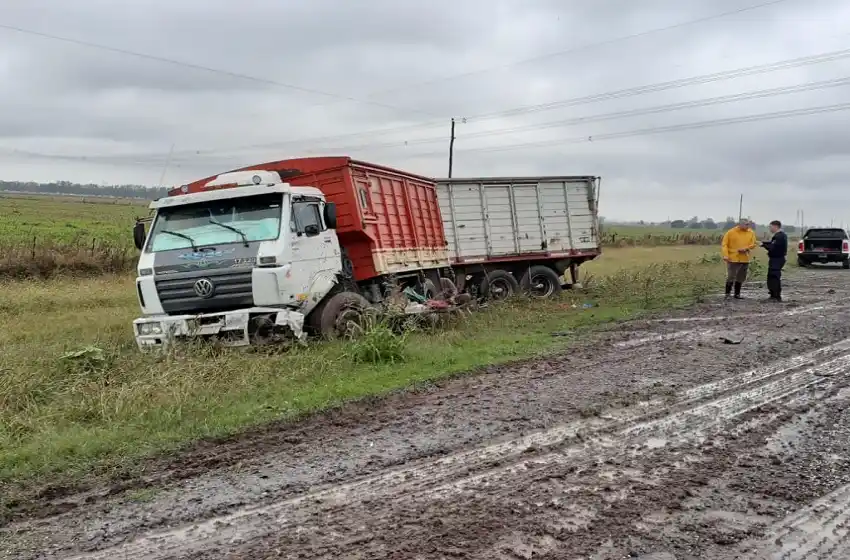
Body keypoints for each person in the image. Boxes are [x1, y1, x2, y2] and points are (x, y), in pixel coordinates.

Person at [721, 219, 758, 299]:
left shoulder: (751, 232)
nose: (747, 226)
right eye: (746, 224)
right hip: (732, 258)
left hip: (745, 258)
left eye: (748, 224)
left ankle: (737, 294)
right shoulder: (730, 232)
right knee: (731, 276)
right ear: (740, 224)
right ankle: (727, 294)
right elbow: (724, 244)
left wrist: (746, 248)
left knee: (741, 277)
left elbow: (754, 244)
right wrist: (725, 255)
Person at [761, 220, 788, 302]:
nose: (770, 228)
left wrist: (764, 245)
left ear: (775, 226)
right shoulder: (781, 235)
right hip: (777, 259)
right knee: (772, 276)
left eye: (770, 227)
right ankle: (773, 294)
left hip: (777, 259)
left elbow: (773, 247)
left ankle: (775, 296)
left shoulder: (779, 236)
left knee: (774, 277)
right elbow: (773, 245)